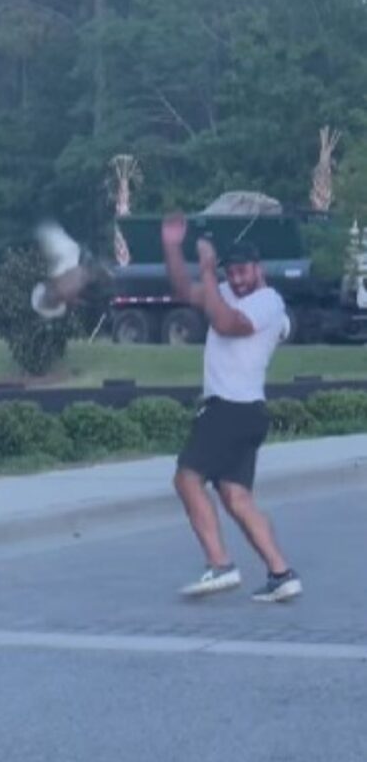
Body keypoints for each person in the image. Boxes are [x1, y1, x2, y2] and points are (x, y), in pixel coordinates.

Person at [161, 212, 302, 603]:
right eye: (232, 273)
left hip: (231, 408)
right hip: (244, 413)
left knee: (186, 479)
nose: (237, 279)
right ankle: (281, 573)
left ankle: (220, 565)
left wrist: (208, 270)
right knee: (236, 497)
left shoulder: (269, 301)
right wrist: (173, 246)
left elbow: (226, 324)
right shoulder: (225, 290)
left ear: (259, 269)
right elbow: (182, 291)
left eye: (244, 272)